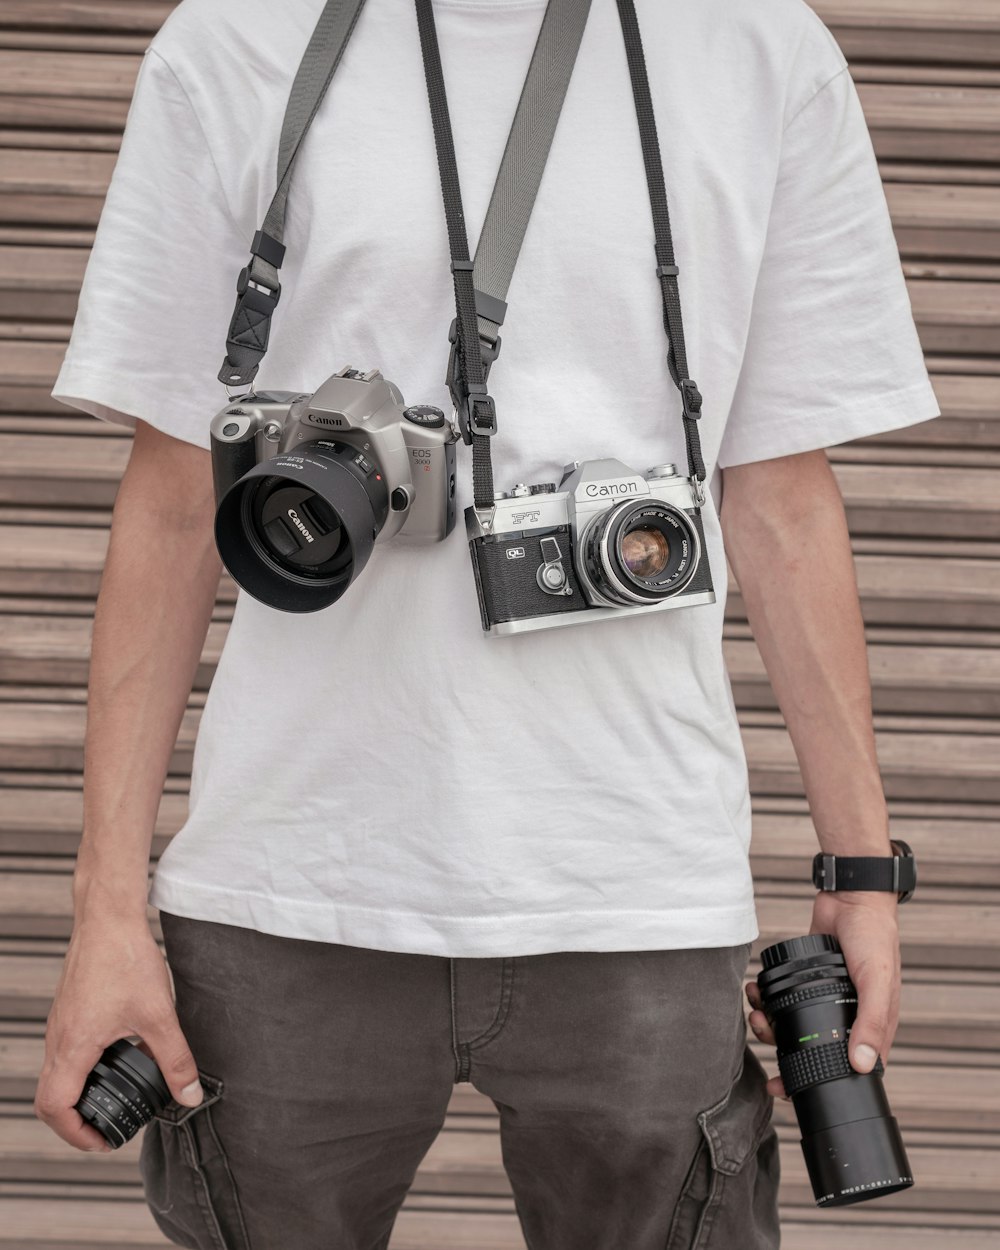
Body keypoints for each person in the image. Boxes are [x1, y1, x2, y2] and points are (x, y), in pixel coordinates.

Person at [34, 0, 939, 1246]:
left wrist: (861, 873)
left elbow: (782, 499)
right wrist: (104, 914)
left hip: (638, 887)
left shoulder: (757, 47)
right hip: (288, 886)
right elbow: (170, 502)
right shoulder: (236, 39)